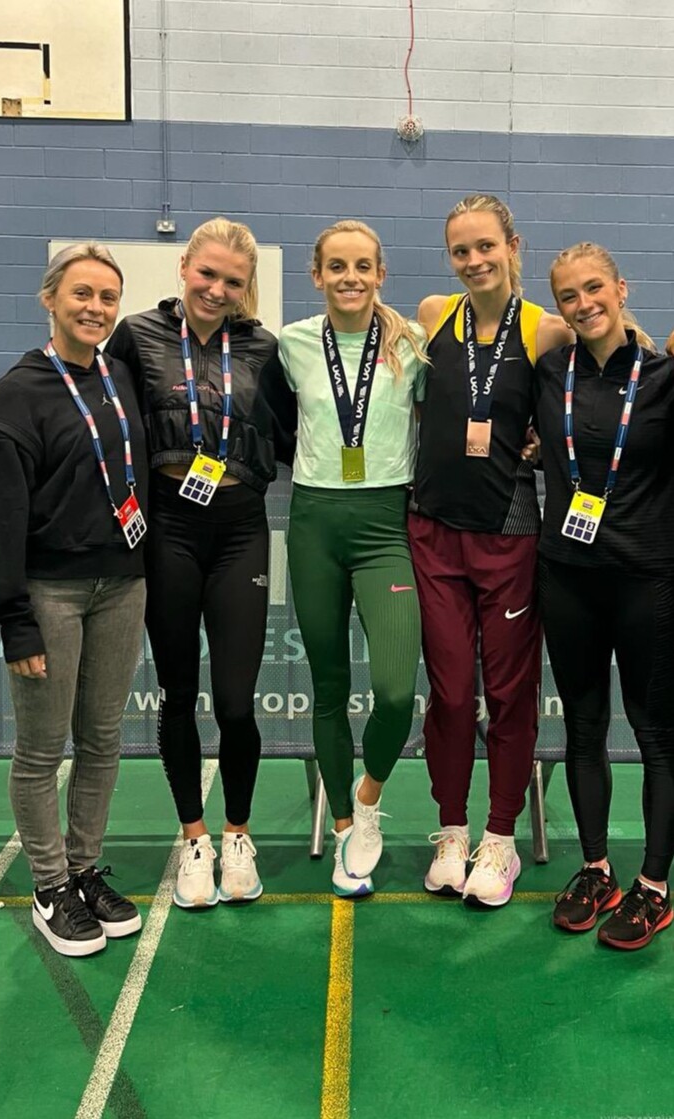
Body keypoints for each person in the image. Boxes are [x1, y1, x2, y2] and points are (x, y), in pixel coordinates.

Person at [106, 218, 296, 908]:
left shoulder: (264, 348)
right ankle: (193, 837)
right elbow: (109, 424)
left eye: (232, 281)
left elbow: (296, 432)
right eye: (207, 273)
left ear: (247, 286)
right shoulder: (136, 336)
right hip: (169, 530)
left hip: (241, 530)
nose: (217, 289)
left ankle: (237, 833)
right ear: (184, 266)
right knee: (179, 691)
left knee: (238, 700)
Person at [409, 194, 572, 907]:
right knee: (449, 691)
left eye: (485, 246)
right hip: (433, 530)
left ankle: (499, 836)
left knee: (508, 692)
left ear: (512, 245)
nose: (474, 260)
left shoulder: (545, 329)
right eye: (461, 250)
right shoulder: (431, 315)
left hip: (509, 530)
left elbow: (608, 355)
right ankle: (451, 829)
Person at [0, 244, 148, 957]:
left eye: (108, 297)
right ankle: (50, 885)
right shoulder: (18, 391)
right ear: (50, 298)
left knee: (103, 738)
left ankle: (84, 870)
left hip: (122, 584)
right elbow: (1, 515)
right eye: (82, 293)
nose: (96, 308)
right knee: (40, 748)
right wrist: (15, 620)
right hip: (49, 591)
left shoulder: (117, 377)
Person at [279, 220, 427, 897]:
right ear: (316, 275)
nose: (350, 277)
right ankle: (343, 825)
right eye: (336, 266)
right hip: (313, 523)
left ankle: (367, 797)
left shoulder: (410, 345)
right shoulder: (292, 344)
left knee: (396, 690)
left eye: (363, 265)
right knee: (330, 687)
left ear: (380, 273)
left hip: (384, 526)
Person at [535, 242, 674, 950]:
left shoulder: (664, 377)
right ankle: (595, 870)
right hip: (567, 575)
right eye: (568, 294)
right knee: (583, 729)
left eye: (594, 288)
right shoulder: (548, 371)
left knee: (655, 734)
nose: (583, 302)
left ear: (621, 289)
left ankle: (653, 885)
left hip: (646, 578)